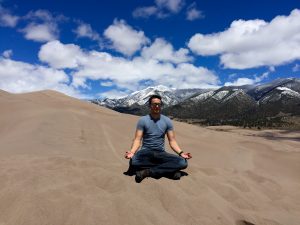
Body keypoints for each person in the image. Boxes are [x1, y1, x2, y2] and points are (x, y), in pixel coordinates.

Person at [124, 94, 192, 183]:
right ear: (150, 106)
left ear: (161, 105)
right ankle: (168, 172)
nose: (156, 106)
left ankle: (148, 172)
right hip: (145, 152)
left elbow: (172, 141)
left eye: (158, 104)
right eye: (154, 104)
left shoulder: (167, 121)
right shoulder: (143, 120)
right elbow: (137, 139)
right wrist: (132, 152)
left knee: (183, 162)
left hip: (160, 153)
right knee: (133, 162)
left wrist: (181, 153)